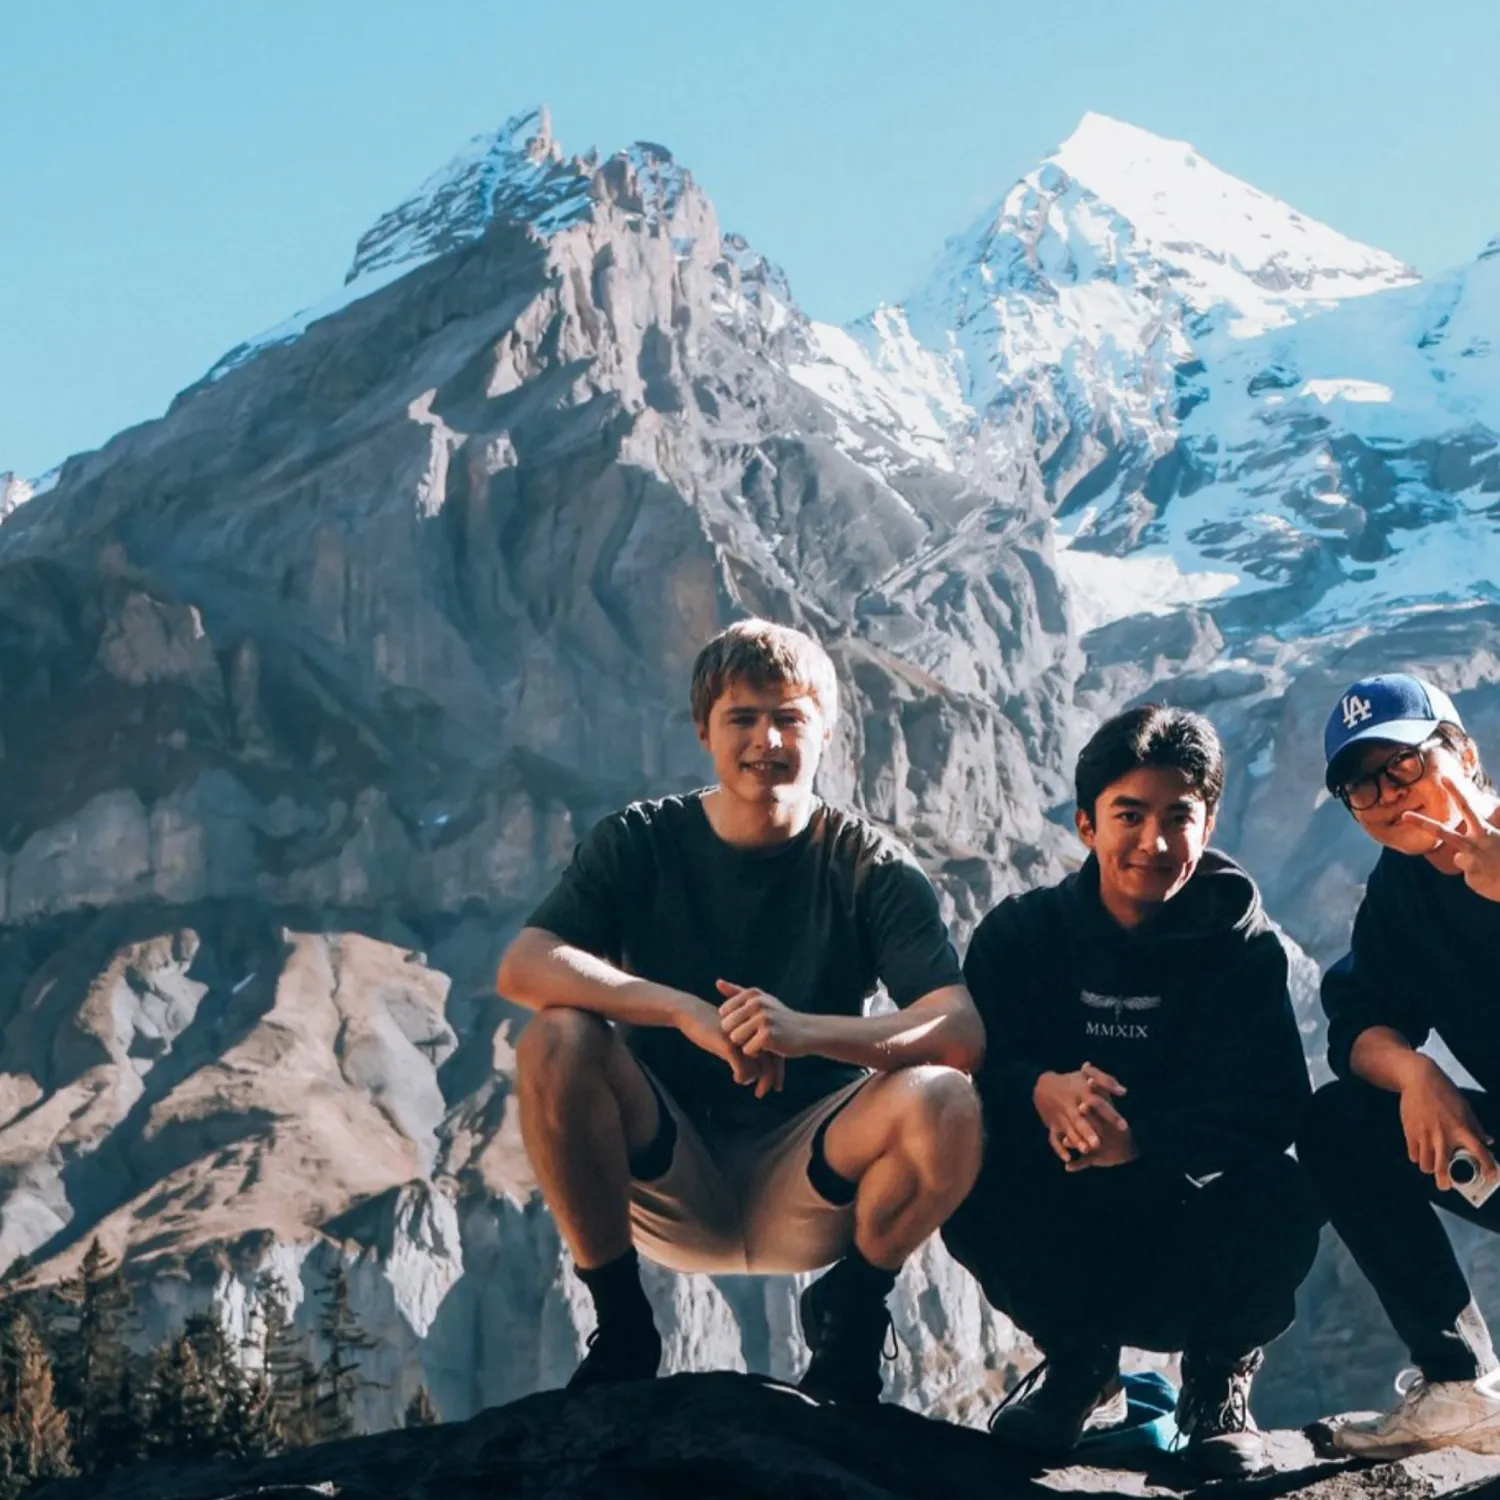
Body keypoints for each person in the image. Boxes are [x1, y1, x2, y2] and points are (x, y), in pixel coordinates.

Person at [497, 618, 985, 1404]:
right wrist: (683, 1012)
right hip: (670, 1171)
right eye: (744, 717)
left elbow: (959, 1030)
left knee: (948, 1098)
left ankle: (852, 1313)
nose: (769, 739)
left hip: (815, 1180)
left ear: (824, 729)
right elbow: (525, 965)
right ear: (704, 730)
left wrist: (807, 1032)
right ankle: (622, 1325)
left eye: (790, 715)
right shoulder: (642, 841)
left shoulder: (871, 868)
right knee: (557, 1038)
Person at [942, 705, 1318, 1477]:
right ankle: (1079, 1367)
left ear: (1208, 824)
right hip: (1062, 1225)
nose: (1153, 841)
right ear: (1086, 825)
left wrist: (1141, 1138)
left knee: (1283, 1188)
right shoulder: (1023, 937)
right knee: (952, 1154)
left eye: (1178, 816)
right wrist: (1041, 1090)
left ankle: (1216, 1384)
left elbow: (1277, 1103)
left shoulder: (1243, 953)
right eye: (1128, 814)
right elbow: (967, 1067)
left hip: (1187, 1225)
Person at [1301, 673, 1500, 1459]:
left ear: (1465, 753)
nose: (1385, 795)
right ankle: (1460, 1387)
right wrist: (1417, 1074)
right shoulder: (1403, 889)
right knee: (1339, 1123)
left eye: (1404, 766)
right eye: (1360, 783)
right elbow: (1357, 1023)